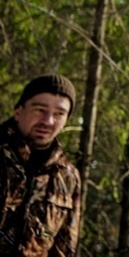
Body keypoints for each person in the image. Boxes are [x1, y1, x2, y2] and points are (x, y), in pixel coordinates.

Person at [0, 74, 80, 256]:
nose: (48, 121)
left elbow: (64, 248)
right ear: (18, 111)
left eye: (59, 114)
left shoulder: (67, 177)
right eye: (40, 110)